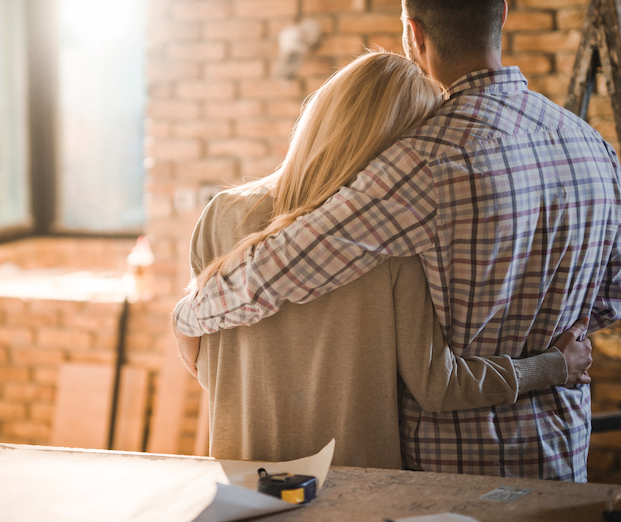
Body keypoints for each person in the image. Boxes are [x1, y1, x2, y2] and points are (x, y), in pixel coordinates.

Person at [174, 0, 621, 482]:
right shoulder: (591, 144)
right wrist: (553, 355)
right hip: (561, 445)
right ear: (503, 15)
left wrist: (187, 315)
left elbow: (284, 265)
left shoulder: (423, 160)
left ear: (413, 32)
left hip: (456, 470)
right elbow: (608, 302)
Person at [186, 50, 593, 469]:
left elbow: (205, 362)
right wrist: (553, 366)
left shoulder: (221, 213)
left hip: (238, 479)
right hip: (351, 486)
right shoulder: (389, 246)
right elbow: (440, 386)